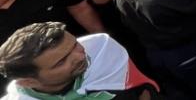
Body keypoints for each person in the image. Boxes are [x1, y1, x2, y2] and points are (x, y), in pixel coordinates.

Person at [0, 22, 158, 100]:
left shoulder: (101, 49)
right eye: (61, 62)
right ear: (28, 82)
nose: (81, 56)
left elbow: (140, 89)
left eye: (75, 44)